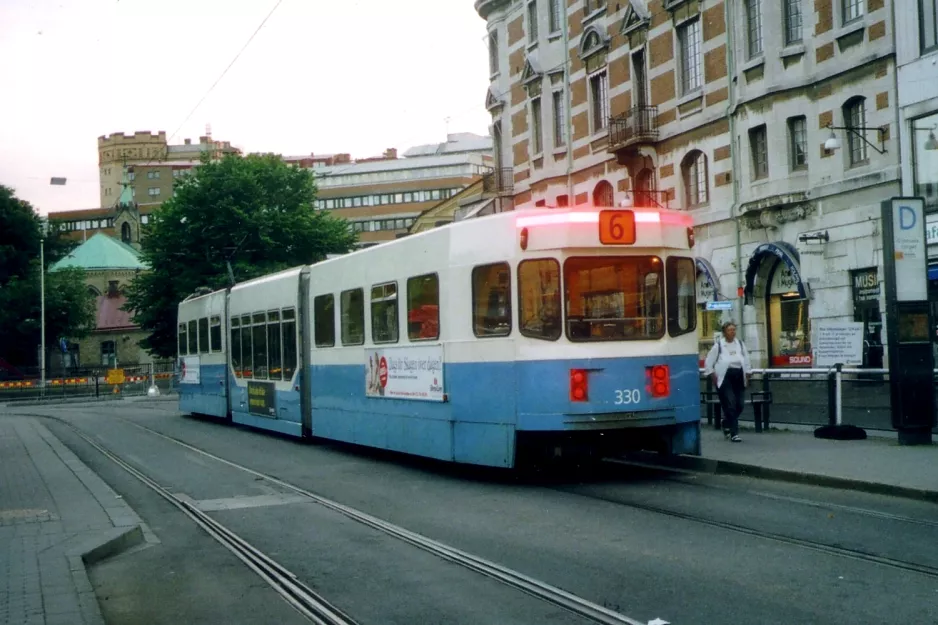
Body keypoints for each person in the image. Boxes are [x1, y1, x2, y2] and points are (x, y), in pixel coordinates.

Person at [703, 321, 753, 442]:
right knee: (730, 404)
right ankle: (734, 433)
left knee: (739, 405)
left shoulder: (740, 344)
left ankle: (726, 423)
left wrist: (747, 373)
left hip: (738, 376)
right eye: (730, 330)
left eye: (734, 330)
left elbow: (746, 359)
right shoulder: (719, 346)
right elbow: (709, 362)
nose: (732, 332)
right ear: (724, 332)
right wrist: (713, 376)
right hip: (725, 377)